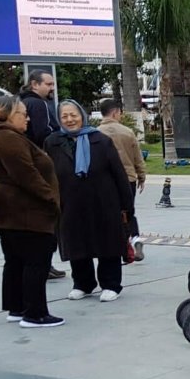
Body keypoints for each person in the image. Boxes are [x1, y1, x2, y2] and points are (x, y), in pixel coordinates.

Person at [0, 96, 63, 328]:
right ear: (8, 114)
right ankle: (35, 313)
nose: (27, 118)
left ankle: (17, 307)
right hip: (24, 208)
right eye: (22, 113)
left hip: (12, 207)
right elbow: (26, 174)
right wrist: (51, 198)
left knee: (16, 259)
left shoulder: (2, 135)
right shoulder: (8, 137)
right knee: (36, 259)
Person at [45, 100, 134, 302]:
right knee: (77, 244)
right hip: (69, 202)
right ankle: (83, 284)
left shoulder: (100, 140)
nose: (69, 120)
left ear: (82, 115)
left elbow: (118, 173)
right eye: (64, 116)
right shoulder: (53, 142)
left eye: (73, 115)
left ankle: (111, 284)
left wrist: (126, 205)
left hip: (103, 201)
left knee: (107, 244)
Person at [19, 69, 67, 279]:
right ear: (34, 84)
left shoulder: (22, 102)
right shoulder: (38, 104)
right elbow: (44, 133)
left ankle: (40, 263)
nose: (51, 88)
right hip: (43, 166)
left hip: (29, 166)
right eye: (48, 84)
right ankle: (43, 264)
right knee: (49, 217)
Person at [97, 99, 147, 262]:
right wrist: (141, 176)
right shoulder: (127, 132)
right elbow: (137, 157)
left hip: (105, 180)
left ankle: (118, 246)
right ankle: (135, 239)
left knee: (109, 214)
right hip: (128, 178)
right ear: (115, 112)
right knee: (128, 211)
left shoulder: (95, 133)